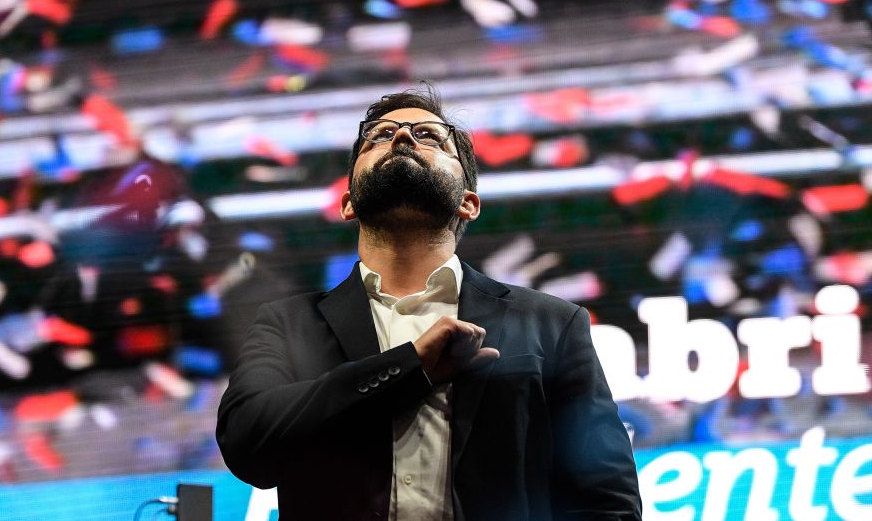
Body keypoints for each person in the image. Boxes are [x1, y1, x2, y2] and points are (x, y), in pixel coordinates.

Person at [216, 85, 641, 520]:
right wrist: (407, 367)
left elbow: (607, 500)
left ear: (467, 203)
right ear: (348, 204)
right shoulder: (289, 323)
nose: (402, 138)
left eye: (431, 137)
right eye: (378, 136)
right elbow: (247, 446)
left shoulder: (551, 323)